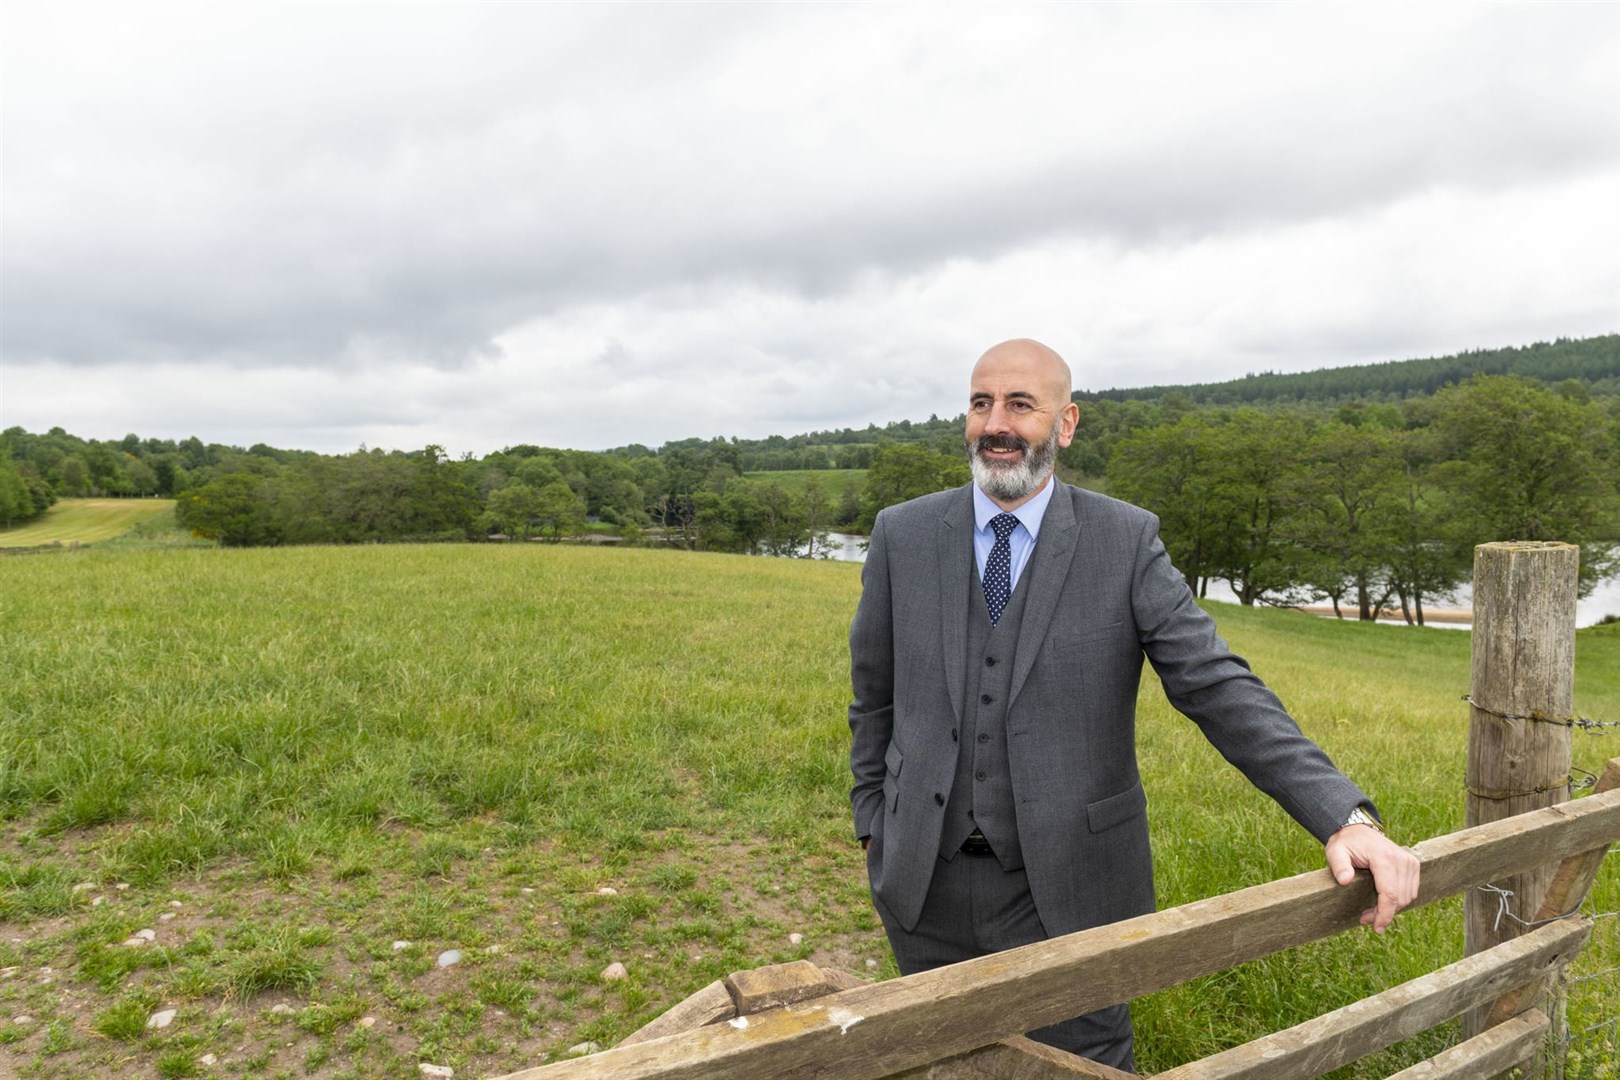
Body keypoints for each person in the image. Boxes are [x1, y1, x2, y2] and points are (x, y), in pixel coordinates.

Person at [847, 338, 1421, 1071]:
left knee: (1083, 1065)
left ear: (1066, 422)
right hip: (922, 886)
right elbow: (874, 697)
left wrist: (1343, 815)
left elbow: (1217, 686)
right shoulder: (903, 534)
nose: (996, 422)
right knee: (937, 1063)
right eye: (981, 402)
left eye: (1021, 404)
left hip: (1067, 896)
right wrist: (876, 827)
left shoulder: (1124, 540)